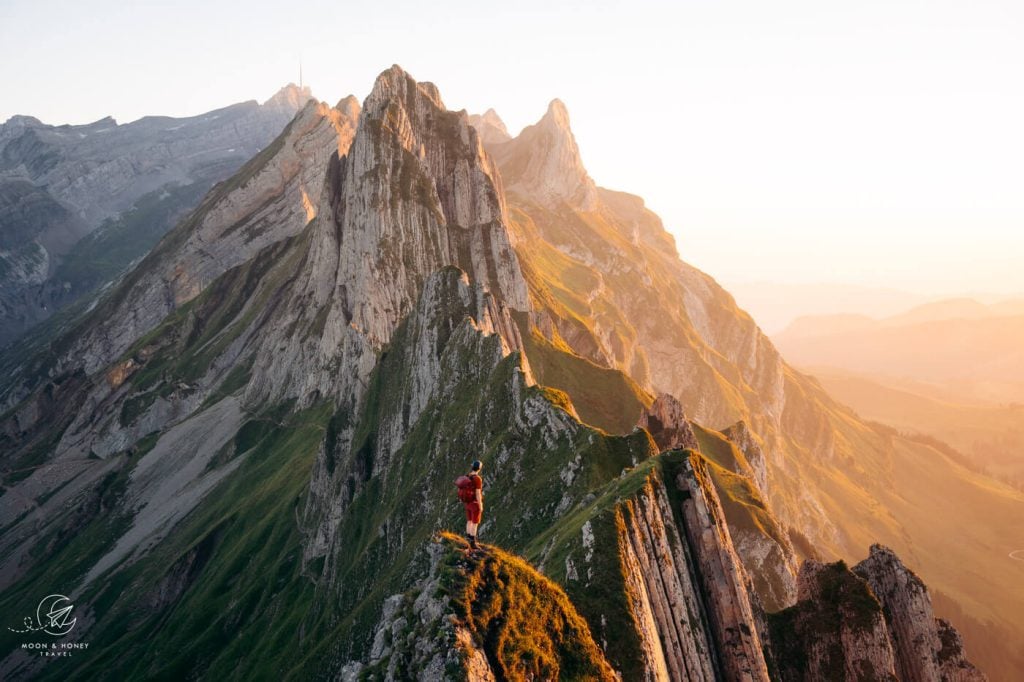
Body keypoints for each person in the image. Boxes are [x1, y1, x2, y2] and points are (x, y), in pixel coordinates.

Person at [457, 460, 484, 550]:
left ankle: (468, 539)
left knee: (469, 521)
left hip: (467, 502)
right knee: (475, 523)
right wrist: (480, 505)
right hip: (474, 503)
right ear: (479, 469)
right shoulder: (477, 479)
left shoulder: (467, 476)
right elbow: (478, 493)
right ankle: (473, 543)